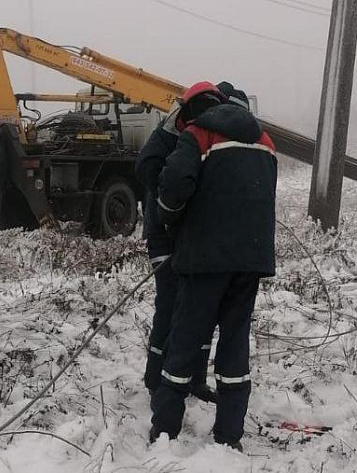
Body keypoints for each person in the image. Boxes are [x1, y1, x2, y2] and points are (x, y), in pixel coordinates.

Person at [150, 81, 278, 451]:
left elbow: (173, 186)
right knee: (235, 342)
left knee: (185, 341)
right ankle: (229, 435)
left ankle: (164, 431)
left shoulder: (198, 134)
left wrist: (169, 219)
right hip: (250, 261)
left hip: (204, 260)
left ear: (192, 110)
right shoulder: (265, 141)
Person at [134, 83, 224, 404]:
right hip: (163, 235)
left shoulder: (212, 134)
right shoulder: (167, 134)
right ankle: (155, 379)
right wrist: (169, 199)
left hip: (191, 237)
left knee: (200, 310)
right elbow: (145, 166)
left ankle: (194, 379)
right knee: (170, 304)